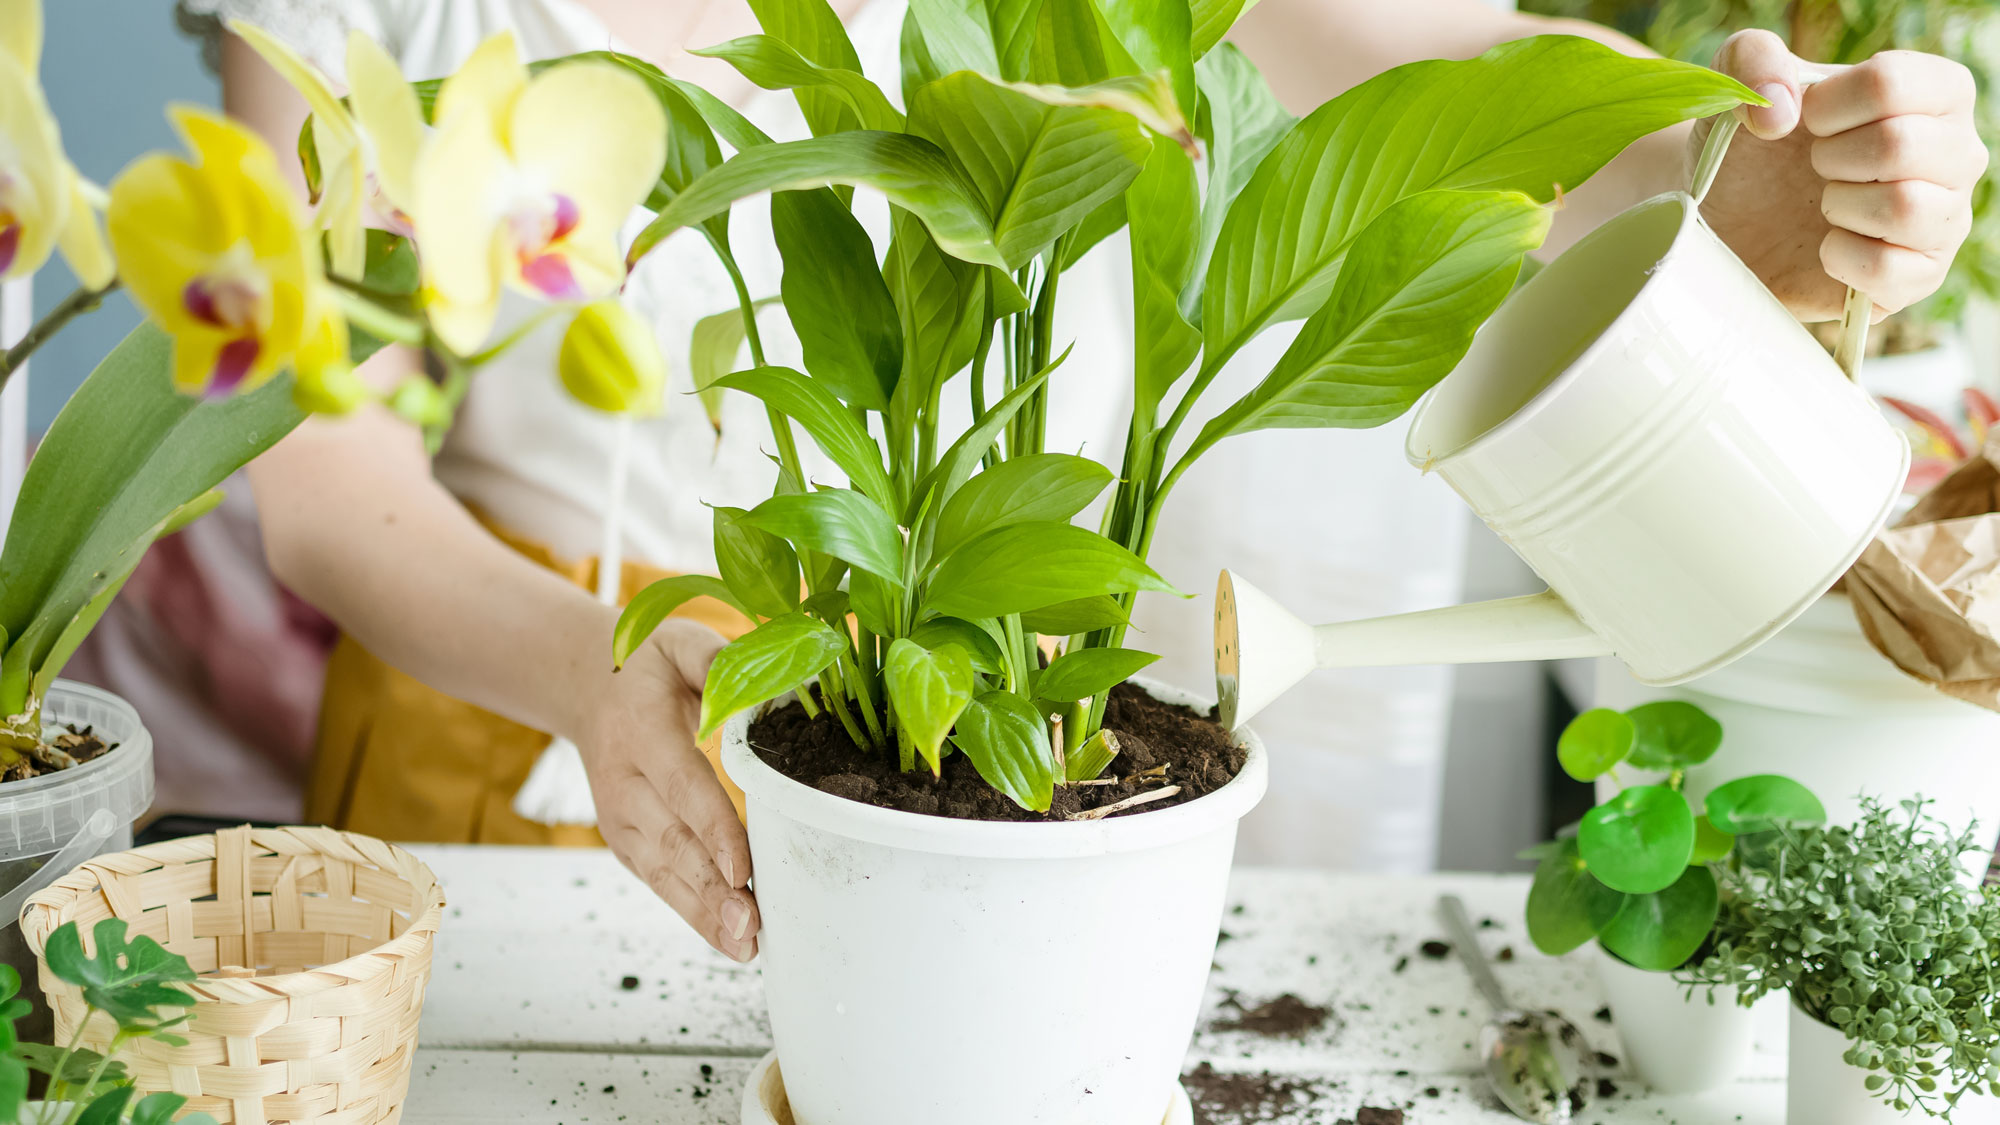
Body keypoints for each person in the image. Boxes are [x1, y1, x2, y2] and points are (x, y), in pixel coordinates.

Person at [177, 0, 1987, 962]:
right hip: (513, 728)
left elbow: (1419, 69)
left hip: (961, 747)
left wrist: (1703, 153)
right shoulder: (364, 20)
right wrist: (589, 668)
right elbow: (322, 476)